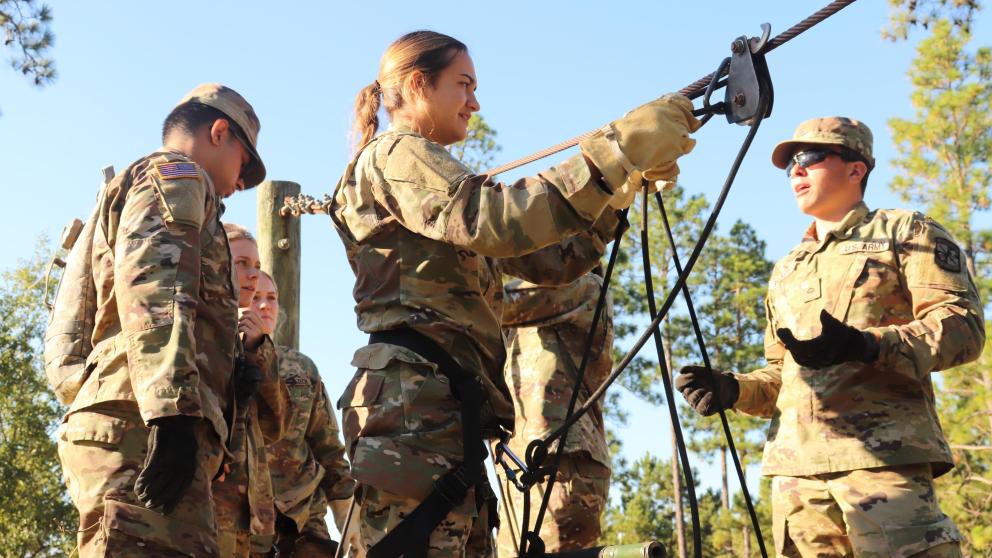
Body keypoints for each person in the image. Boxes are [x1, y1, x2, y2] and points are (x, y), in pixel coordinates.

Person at [329, 30, 700, 557]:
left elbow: (551, 260)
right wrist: (613, 155)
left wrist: (619, 191)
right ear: (418, 84)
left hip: (443, 409)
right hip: (414, 406)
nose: (474, 103)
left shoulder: (429, 169)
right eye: (463, 85)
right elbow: (497, 218)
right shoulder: (397, 154)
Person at [675, 117, 984, 557]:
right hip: (797, 479)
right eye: (790, 167)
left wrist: (869, 345)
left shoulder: (905, 231)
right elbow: (782, 377)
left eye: (810, 158)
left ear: (856, 169)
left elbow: (962, 327)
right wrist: (733, 389)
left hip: (882, 462)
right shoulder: (788, 268)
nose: (796, 172)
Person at [55, 83, 267, 557]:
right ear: (219, 131)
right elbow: (158, 286)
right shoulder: (179, 175)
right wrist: (171, 416)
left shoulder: (148, 182)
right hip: (147, 424)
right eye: (245, 164)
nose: (239, 182)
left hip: (134, 418)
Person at [495, 271, 613, 556]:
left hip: (560, 468)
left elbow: (494, 302)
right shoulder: (522, 325)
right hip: (524, 468)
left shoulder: (583, 286)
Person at [250, 270, 362, 557]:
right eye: (255, 297)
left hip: (303, 522)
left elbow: (327, 446)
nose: (265, 306)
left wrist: (345, 512)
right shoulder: (215, 361)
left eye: (272, 298)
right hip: (241, 520)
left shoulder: (301, 368)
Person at [215, 224, 290, 557]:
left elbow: (275, 424)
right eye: (242, 263)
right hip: (204, 509)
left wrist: (257, 349)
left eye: (257, 266)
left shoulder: (256, 344)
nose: (252, 276)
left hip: (253, 518)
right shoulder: (198, 326)